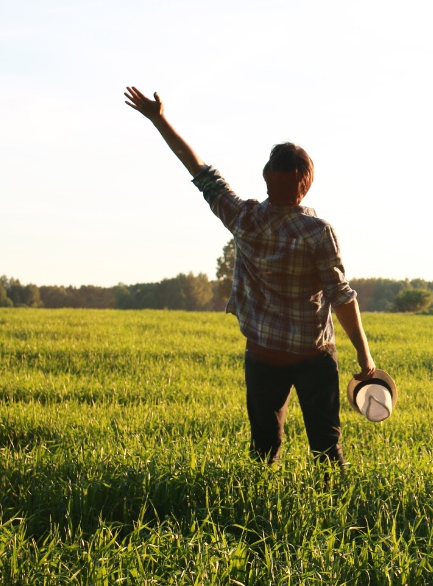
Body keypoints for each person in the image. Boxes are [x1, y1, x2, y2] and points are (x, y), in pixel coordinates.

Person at [124, 86, 375, 468]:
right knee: (326, 448)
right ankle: (339, 516)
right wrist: (364, 355)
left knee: (262, 450)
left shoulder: (244, 219)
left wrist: (159, 119)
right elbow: (341, 296)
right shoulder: (317, 232)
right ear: (306, 182)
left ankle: (255, 517)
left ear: (264, 177)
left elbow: (199, 171)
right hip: (314, 356)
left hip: (263, 355)